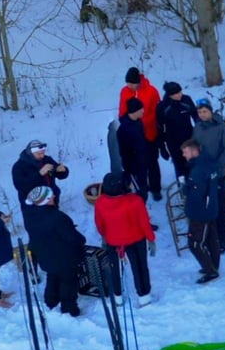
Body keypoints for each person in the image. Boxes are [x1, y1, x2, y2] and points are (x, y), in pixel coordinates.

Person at [94, 172, 156, 307]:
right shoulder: (135, 201)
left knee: (114, 269)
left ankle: (117, 298)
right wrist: (151, 238)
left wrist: (105, 236)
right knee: (140, 267)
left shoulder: (100, 202)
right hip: (136, 240)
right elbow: (144, 222)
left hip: (113, 241)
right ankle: (143, 296)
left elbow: (100, 225)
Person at [23, 186, 86, 317]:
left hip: (45, 257)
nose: (54, 197)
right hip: (64, 258)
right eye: (50, 196)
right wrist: (81, 239)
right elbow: (72, 237)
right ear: (44, 201)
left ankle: (51, 301)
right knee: (68, 281)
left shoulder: (30, 217)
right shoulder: (57, 217)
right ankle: (68, 307)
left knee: (52, 276)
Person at [192, 98, 225, 253]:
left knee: (218, 206)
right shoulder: (197, 128)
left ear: (210, 111)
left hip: (216, 173)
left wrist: (217, 164)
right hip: (202, 173)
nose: (202, 114)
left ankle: (222, 237)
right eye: (199, 112)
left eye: (204, 111)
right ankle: (210, 236)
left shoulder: (221, 127)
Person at [119, 67, 163, 200]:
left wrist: (145, 122)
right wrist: (127, 123)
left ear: (138, 82)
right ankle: (142, 186)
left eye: (132, 84)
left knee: (152, 162)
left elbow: (157, 111)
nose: (129, 86)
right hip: (133, 134)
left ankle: (156, 188)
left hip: (149, 132)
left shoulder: (151, 91)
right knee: (137, 163)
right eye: (128, 84)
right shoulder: (125, 91)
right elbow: (122, 111)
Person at [181, 139, 221, 284]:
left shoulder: (198, 170)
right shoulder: (207, 163)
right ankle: (213, 266)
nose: (184, 156)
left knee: (195, 243)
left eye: (185, 152)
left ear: (194, 151)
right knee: (211, 239)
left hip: (200, 212)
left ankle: (211, 271)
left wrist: (185, 188)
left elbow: (196, 193)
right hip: (210, 209)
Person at [12, 139, 69, 214]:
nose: (42, 156)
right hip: (33, 205)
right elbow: (21, 186)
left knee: (54, 220)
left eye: (43, 153)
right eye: (39, 154)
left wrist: (63, 170)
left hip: (51, 199)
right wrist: (39, 174)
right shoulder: (19, 167)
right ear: (31, 153)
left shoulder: (46, 160)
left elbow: (60, 175)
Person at [157, 81, 198, 181]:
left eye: (180, 92)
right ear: (170, 95)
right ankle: (183, 192)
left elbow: (196, 117)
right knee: (180, 167)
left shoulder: (186, 100)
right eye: (176, 94)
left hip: (189, 138)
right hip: (173, 141)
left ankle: (198, 189)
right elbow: (159, 128)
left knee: (194, 165)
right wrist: (162, 147)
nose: (179, 95)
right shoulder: (163, 107)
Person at [117, 97, 152, 200]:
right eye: (140, 109)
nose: (143, 111)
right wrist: (130, 168)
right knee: (139, 192)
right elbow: (124, 151)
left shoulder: (138, 122)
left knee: (144, 186)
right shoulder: (123, 130)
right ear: (133, 111)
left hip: (143, 161)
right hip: (133, 166)